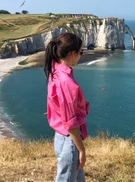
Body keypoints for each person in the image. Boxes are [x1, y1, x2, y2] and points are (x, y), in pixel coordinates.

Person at [44, 33, 90, 182]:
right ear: (72, 54)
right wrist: (81, 149)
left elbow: (57, 103)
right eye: (80, 52)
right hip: (69, 141)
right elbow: (70, 124)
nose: (80, 56)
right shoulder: (66, 81)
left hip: (60, 137)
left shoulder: (54, 71)